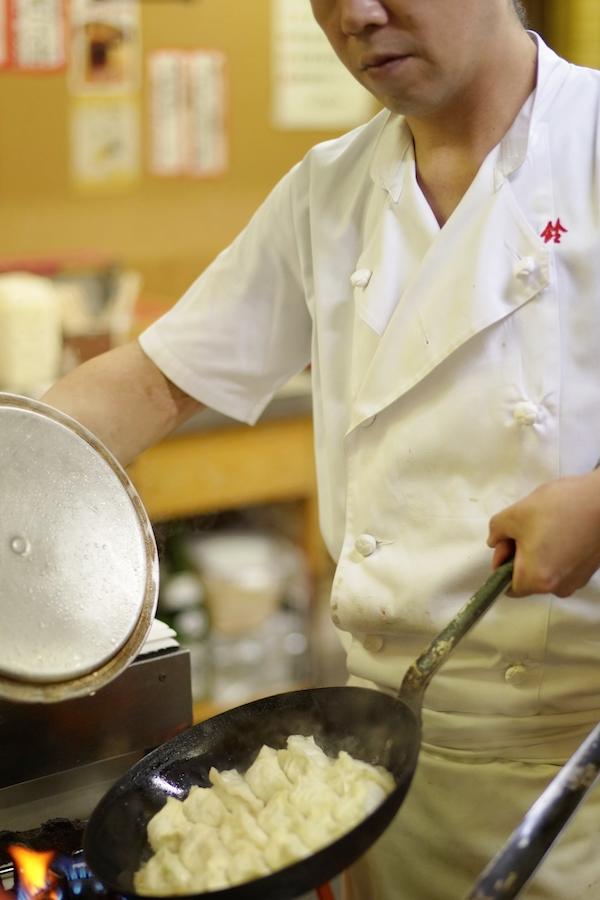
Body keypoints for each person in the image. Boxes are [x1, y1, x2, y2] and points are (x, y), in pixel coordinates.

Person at [42, 1, 600, 897]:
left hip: (573, 780)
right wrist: (15, 469)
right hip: (373, 773)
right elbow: (153, 381)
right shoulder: (330, 187)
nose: (357, 14)